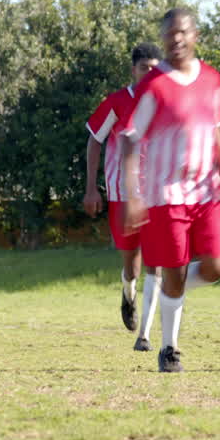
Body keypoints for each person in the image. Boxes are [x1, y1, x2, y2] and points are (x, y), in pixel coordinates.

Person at [118, 8, 220, 373]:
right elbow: (129, 138)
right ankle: (169, 350)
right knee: (172, 273)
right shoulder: (154, 84)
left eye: (183, 32)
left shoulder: (212, 80)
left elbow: (214, 125)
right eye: (170, 34)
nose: (177, 39)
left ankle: (175, 290)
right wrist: (131, 193)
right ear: (165, 37)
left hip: (206, 191)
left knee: (219, 265)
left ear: (195, 34)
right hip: (166, 192)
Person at [84, 43, 163, 351]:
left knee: (155, 265)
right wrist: (92, 188)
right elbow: (94, 141)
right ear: (133, 69)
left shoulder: (163, 103)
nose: (150, 74)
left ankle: (144, 335)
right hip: (121, 197)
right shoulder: (117, 102)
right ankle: (127, 295)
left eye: (155, 69)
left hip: (157, 196)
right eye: (145, 68)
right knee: (132, 265)